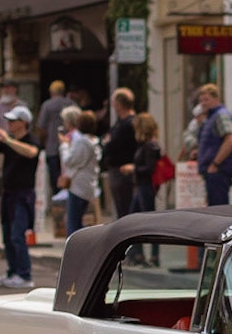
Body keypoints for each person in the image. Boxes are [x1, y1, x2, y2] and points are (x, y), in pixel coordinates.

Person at [0, 104, 39, 289]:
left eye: (13, 121)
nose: (9, 124)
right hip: (8, 193)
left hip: (23, 194)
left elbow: (31, 152)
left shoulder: (30, 140)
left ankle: (25, 274)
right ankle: (12, 271)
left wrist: (8, 140)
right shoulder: (8, 141)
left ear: (23, 122)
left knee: (17, 235)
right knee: (7, 235)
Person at [122, 112, 162, 266]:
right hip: (142, 186)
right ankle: (138, 254)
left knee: (148, 221)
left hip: (146, 186)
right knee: (135, 220)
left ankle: (152, 255)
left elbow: (149, 168)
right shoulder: (148, 145)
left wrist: (133, 169)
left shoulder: (149, 146)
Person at [195, 82, 232, 205]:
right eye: (201, 100)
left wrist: (215, 164)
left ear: (216, 99)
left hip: (218, 171)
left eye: (206, 99)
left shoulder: (220, 116)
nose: (203, 103)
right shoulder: (211, 118)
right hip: (213, 172)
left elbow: (231, 141)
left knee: (218, 207)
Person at [58, 108, 100, 238]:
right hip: (87, 184)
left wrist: (64, 145)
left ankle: (78, 246)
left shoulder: (82, 142)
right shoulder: (94, 141)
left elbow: (69, 160)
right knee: (78, 220)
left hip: (78, 186)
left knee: (73, 223)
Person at [101, 87, 137, 218]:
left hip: (123, 171)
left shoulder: (129, 123)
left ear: (119, 104)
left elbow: (112, 144)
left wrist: (107, 142)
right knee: (121, 206)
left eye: (113, 103)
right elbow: (107, 139)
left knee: (125, 207)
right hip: (117, 170)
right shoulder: (119, 123)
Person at [35, 80, 74, 196]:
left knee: (54, 177)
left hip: (52, 147)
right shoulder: (71, 104)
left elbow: (42, 127)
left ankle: (57, 198)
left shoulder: (47, 105)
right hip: (70, 145)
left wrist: (42, 142)